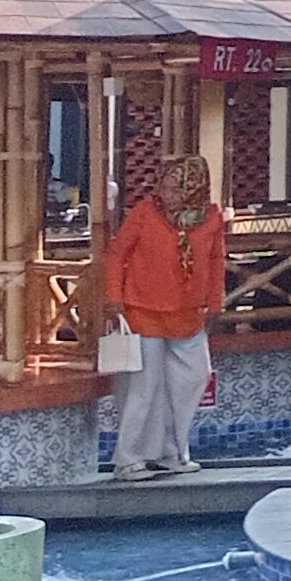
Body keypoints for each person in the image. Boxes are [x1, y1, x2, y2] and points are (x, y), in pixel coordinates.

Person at [103, 153, 227, 479]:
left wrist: (215, 303)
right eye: (165, 187)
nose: (167, 194)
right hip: (143, 312)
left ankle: (172, 450)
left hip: (188, 315)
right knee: (144, 390)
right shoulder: (145, 213)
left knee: (192, 379)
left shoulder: (212, 218)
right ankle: (128, 459)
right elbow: (117, 255)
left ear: (193, 188)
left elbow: (216, 263)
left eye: (175, 189)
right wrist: (114, 297)